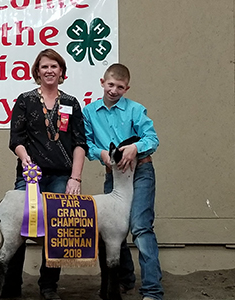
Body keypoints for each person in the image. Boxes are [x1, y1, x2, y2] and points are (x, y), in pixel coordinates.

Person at [3, 48, 88, 300]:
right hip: (30, 175)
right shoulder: (25, 100)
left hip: (62, 176)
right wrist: (25, 158)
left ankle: (49, 286)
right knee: (18, 226)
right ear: (37, 72)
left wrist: (75, 178)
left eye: (54, 66)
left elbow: (80, 143)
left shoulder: (71, 103)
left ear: (62, 72)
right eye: (44, 67)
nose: (49, 71)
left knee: (58, 229)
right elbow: (15, 138)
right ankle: (11, 285)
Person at [82, 63, 164, 300]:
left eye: (119, 87)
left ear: (126, 88)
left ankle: (152, 291)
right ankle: (125, 281)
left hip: (141, 172)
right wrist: (102, 154)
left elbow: (152, 138)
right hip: (113, 175)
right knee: (112, 229)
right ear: (102, 83)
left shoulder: (136, 110)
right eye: (110, 85)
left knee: (140, 227)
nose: (114, 90)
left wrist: (135, 148)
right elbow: (87, 144)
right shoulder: (89, 112)